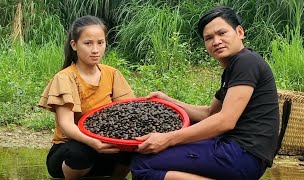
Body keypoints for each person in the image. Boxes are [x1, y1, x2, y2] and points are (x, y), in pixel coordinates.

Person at [131, 6, 279, 180]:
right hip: (239, 151)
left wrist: (168, 138)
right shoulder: (233, 69)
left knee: (142, 166)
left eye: (222, 33)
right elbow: (211, 113)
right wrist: (168, 101)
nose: (216, 41)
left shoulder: (246, 61)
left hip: (243, 153)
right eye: (209, 38)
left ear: (240, 32)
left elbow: (225, 121)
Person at [38, 15, 135, 180]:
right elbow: (66, 124)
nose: (95, 49)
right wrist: (93, 143)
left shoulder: (112, 74)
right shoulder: (65, 77)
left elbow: (127, 113)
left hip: (105, 147)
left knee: (134, 150)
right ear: (74, 45)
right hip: (70, 151)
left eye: (100, 42)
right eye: (88, 43)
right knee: (80, 153)